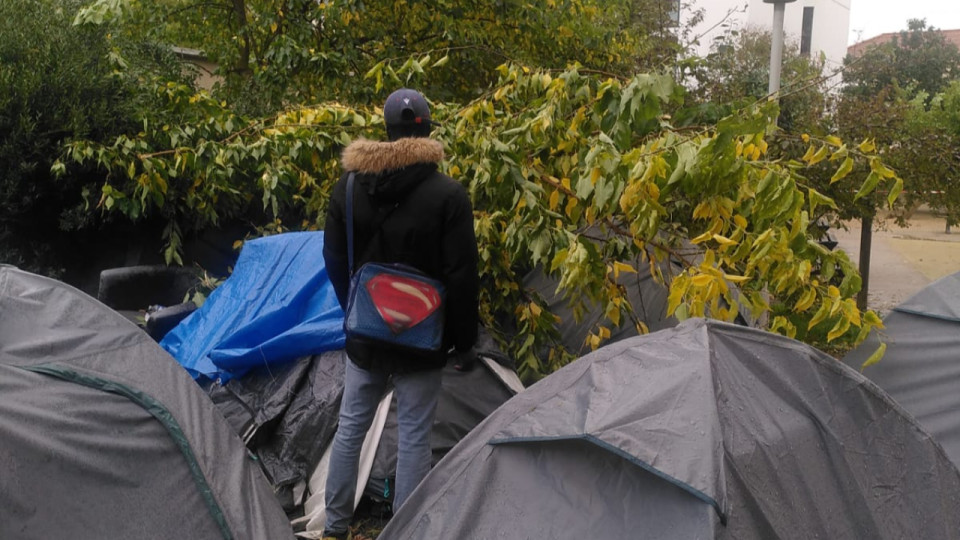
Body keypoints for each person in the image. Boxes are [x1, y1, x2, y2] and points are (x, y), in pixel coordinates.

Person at [320, 88, 480, 540]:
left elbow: (333, 259)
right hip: (423, 340)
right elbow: (462, 275)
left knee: (350, 427)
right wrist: (463, 342)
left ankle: (334, 529)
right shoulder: (449, 195)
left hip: (365, 337)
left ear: (386, 130)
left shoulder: (348, 188)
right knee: (413, 437)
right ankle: (405, 532)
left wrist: (356, 313)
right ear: (426, 128)